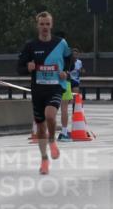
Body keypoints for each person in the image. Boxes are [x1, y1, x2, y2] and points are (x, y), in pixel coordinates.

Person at [18, 12, 73, 175]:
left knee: (50, 115)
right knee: (40, 128)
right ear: (37, 25)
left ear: (51, 25)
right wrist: (27, 67)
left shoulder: (61, 43)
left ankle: (52, 140)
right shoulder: (31, 46)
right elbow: (19, 67)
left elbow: (70, 59)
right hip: (38, 90)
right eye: (42, 24)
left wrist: (65, 71)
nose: (45, 27)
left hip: (56, 87)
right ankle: (44, 159)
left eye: (47, 24)